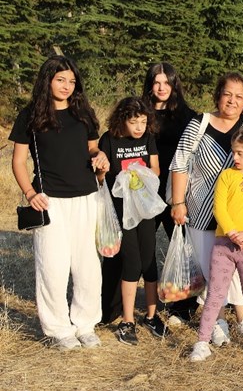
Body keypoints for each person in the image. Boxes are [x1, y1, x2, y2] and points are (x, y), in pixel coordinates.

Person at [169, 72, 243, 344]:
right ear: (218, 95)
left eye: (239, 96)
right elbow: (180, 163)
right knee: (212, 272)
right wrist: (179, 202)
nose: (232, 100)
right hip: (203, 212)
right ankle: (217, 321)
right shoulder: (199, 123)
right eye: (227, 94)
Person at [9, 56, 109, 350]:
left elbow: (93, 150)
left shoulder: (84, 114)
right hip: (48, 200)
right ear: (47, 80)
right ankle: (58, 329)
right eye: (60, 80)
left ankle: (85, 323)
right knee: (52, 267)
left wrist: (100, 159)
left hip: (86, 197)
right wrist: (30, 193)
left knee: (87, 266)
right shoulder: (31, 115)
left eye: (71, 81)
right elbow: (18, 162)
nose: (66, 86)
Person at [188, 128, 243, 361]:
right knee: (215, 294)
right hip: (223, 247)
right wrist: (233, 233)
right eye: (233, 152)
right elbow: (220, 208)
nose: (234, 158)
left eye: (239, 153)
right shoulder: (227, 176)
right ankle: (202, 342)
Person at [96, 97, 168, 345]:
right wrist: (105, 172)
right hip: (121, 212)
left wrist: (140, 172)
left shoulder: (147, 139)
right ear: (122, 120)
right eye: (134, 121)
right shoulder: (109, 139)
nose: (139, 127)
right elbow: (101, 173)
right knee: (132, 262)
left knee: (149, 261)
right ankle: (127, 320)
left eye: (143, 121)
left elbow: (157, 169)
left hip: (146, 210)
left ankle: (151, 315)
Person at [138, 62, 199, 326]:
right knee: (142, 247)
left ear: (175, 85)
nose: (162, 88)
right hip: (144, 192)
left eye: (167, 82)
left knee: (182, 246)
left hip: (176, 192)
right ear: (150, 84)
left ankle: (182, 305)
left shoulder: (187, 116)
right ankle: (134, 302)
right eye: (157, 82)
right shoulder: (140, 112)